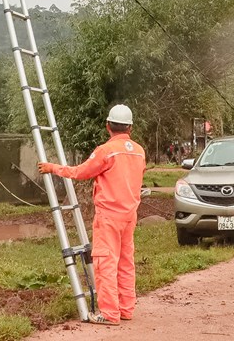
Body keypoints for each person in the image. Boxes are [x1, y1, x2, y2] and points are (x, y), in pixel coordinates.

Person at [38, 104, 146, 326]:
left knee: (106, 261)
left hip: (109, 216)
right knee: (126, 263)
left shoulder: (106, 151)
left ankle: (109, 313)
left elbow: (80, 172)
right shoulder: (139, 151)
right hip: (129, 215)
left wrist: (53, 168)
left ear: (108, 126)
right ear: (130, 128)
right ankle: (125, 309)